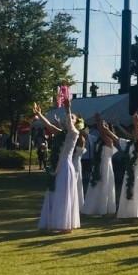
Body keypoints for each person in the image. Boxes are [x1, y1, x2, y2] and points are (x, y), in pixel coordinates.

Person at [35, 99, 80, 233]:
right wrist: (39, 114)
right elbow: (48, 125)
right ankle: (55, 221)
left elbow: (71, 126)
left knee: (63, 194)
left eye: (71, 119)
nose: (68, 120)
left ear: (75, 122)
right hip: (57, 167)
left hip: (66, 167)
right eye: (68, 118)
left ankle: (65, 225)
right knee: (54, 193)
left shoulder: (74, 134)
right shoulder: (61, 133)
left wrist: (68, 110)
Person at [81, 115, 118, 216]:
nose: (102, 127)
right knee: (95, 186)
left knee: (104, 186)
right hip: (97, 165)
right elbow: (87, 134)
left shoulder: (110, 141)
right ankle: (93, 207)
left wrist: (99, 123)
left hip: (106, 166)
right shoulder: (98, 140)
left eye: (105, 126)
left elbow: (103, 133)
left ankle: (103, 208)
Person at [116, 113, 138, 219]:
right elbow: (116, 138)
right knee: (128, 190)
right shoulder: (130, 143)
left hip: (137, 170)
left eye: (135, 131)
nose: (133, 133)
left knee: (135, 190)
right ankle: (127, 213)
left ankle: (135, 214)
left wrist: (136, 123)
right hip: (129, 170)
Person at [72, 130, 87, 210]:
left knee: (76, 183)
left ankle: (77, 204)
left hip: (76, 164)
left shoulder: (81, 140)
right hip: (75, 163)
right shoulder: (76, 141)